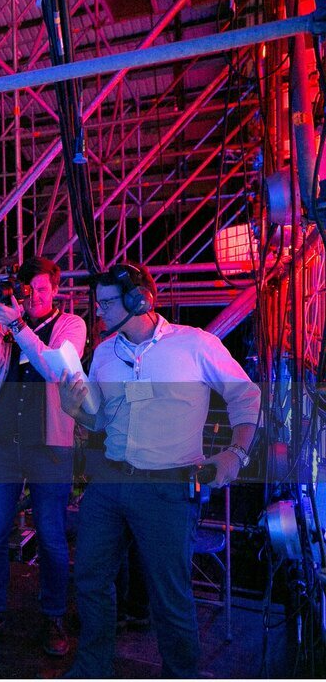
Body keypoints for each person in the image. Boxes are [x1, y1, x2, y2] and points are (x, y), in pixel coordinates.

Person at [59, 262, 260, 678]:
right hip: (110, 482)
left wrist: (236, 453)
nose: (100, 311)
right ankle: (92, 668)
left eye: (107, 303)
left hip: (168, 488)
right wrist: (75, 408)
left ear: (140, 299)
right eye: (98, 303)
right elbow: (100, 419)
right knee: (90, 581)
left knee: (170, 596)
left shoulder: (195, 344)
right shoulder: (104, 353)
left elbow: (246, 396)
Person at [0, 257, 86, 656]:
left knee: (51, 535)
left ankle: (54, 615)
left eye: (41, 289)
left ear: (55, 290)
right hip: (2, 443)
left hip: (49, 445)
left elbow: (54, 369)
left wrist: (18, 326)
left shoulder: (71, 325)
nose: (34, 296)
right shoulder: (9, 324)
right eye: (27, 289)